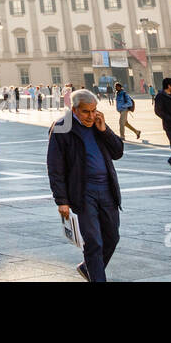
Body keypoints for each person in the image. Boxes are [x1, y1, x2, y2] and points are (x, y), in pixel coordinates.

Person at [47, 90, 124, 282]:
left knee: (112, 237)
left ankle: (87, 268)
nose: (91, 116)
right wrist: (62, 200)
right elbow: (55, 167)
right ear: (74, 110)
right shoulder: (61, 128)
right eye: (85, 112)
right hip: (83, 192)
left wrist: (104, 130)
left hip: (107, 189)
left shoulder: (98, 123)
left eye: (94, 110)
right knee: (94, 242)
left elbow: (118, 152)